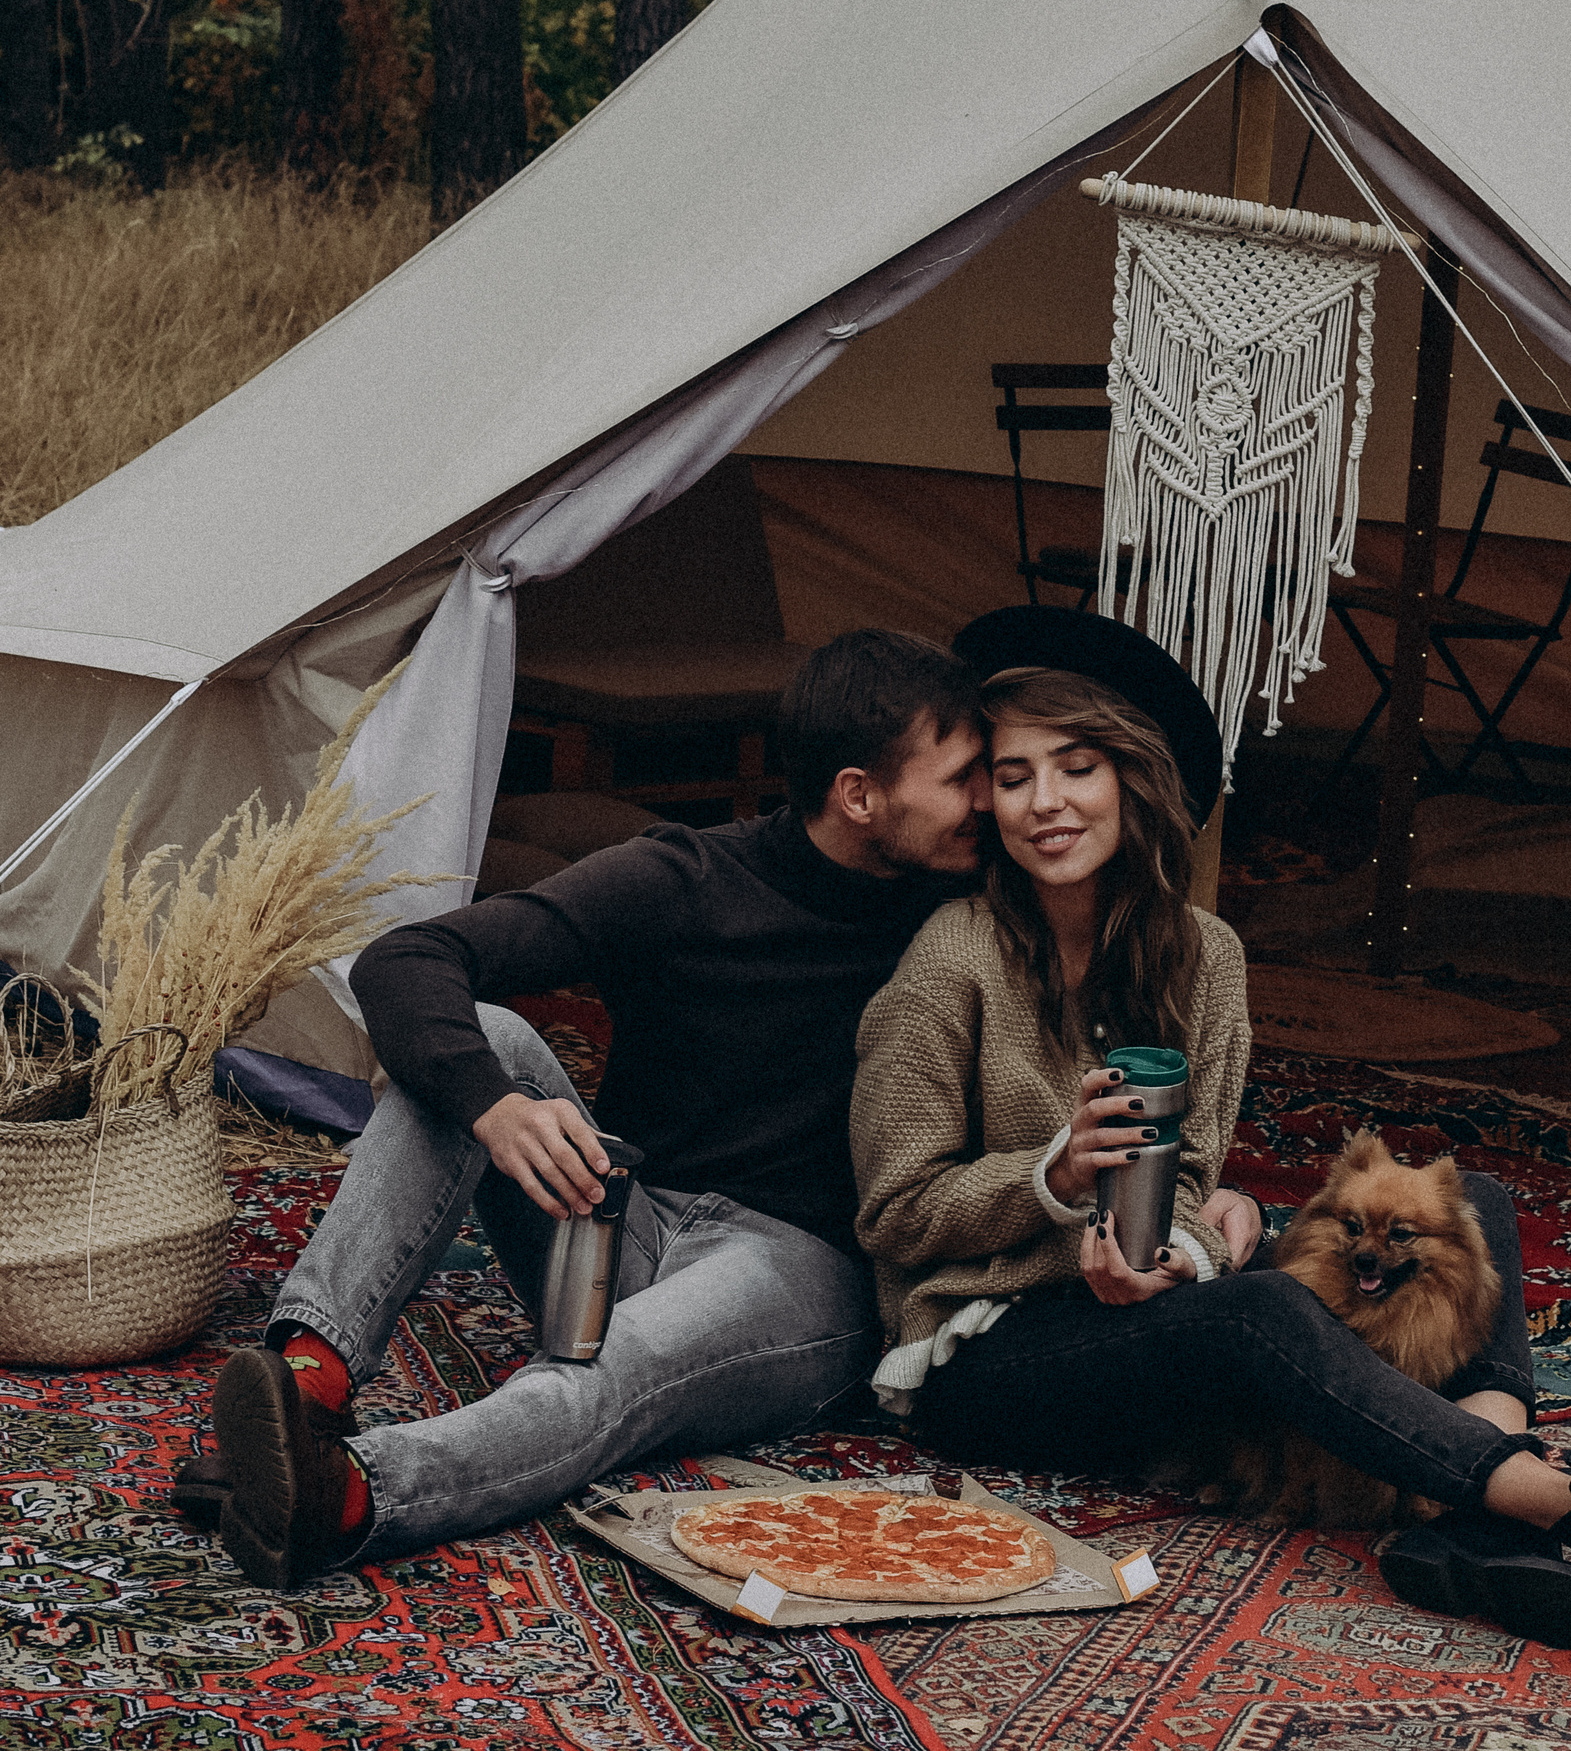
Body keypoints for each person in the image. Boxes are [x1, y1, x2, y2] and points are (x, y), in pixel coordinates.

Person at [849, 607, 1571, 1649]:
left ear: (1131, 775)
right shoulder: (954, 958)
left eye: (1076, 765)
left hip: (1145, 1323)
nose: (1045, 803)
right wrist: (1058, 1174)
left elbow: (1196, 1177)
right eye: (1015, 774)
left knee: (1466, 1203)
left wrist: (1178, 1257)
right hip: (987, 1357)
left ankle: (1471, 1520)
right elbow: (893, 1214)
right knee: (1256, 1316)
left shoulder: (1202, 955)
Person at [198, 629, 999, 1590]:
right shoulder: (685, 880)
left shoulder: (973, 905)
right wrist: (495, 1109)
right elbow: (407, 961)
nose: (991, 802)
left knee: (609, 1369)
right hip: (628, 1219)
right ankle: (309, 1384)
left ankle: (346, 1494)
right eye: (964, 779)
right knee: (482, 1035)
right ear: (858, 794)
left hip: (800, 1272)